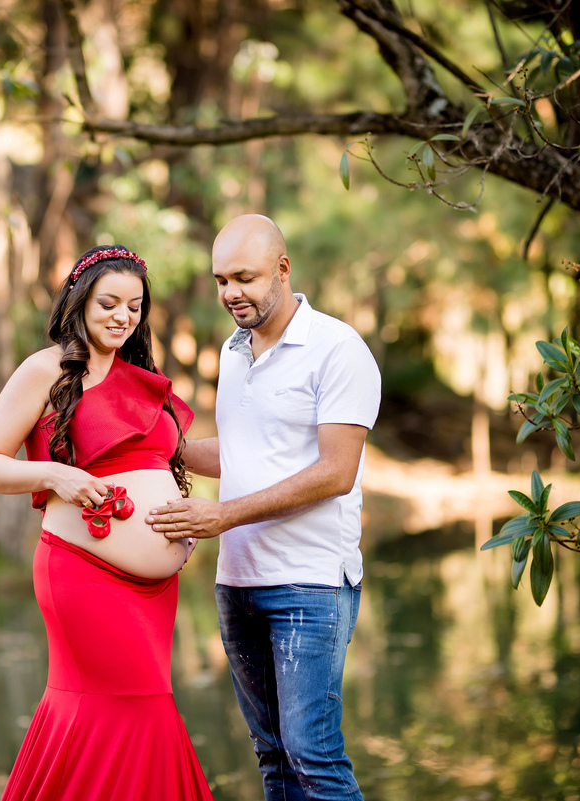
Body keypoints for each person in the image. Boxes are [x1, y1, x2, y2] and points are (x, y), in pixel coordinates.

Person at [0, 245, 213, 801]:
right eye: (108, 302)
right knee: (117, 710)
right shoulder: (46, 369)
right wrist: (57, 475)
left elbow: (164, 461)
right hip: (83, 575)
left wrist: (188, 523)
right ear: (79, 301)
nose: (121, 316)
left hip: (155, 590)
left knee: (144, 710)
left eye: (134, 306)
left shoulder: (140, 377)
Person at [146, 214, 381, 801]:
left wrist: (221, 516)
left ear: (283, 270)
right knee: (273, 757)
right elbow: (243, 453)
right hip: (238, 582)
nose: (231, 294)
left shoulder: (337, 348)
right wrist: (157, 446)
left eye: (244, 278)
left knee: (314, 756)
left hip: (309, 583)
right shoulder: (234, 352)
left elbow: (336, 471)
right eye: (222, 280)